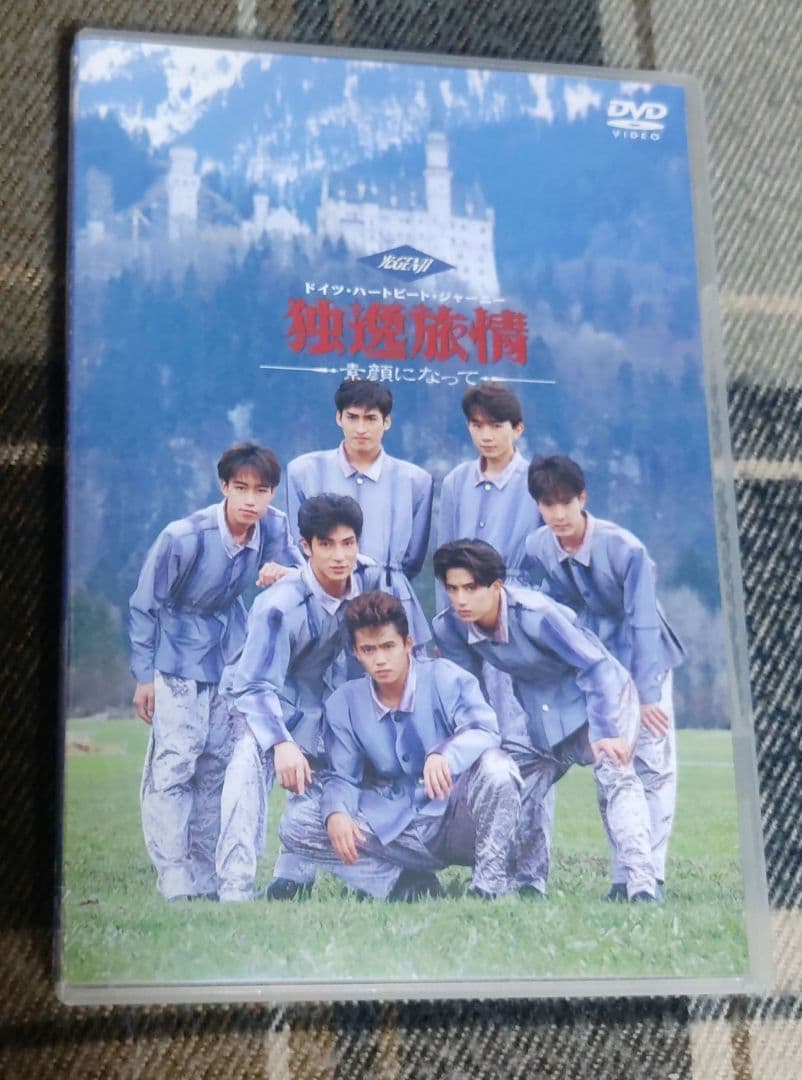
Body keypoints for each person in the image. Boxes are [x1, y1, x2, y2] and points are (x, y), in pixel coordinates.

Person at [432, 539, 659, 902]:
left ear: (496, 586)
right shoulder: (450, 627)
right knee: (517, 783)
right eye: (452, 589)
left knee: (615, 776)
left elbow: (595, 666)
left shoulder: (535, 614)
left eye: (470, 588)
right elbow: (468, 694)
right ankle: (525, 883)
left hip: (600, 698)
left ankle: (642, 886)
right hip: (539, 713)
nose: (460, 599)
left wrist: (605, 731)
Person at [129, 443, 303, 901]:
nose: (251, 500)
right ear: (223, 486)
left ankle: (205, 877)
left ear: (272, 493)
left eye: (261, 490)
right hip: (176, 654)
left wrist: (281, 573)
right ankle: (173, 875)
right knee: (174, 763)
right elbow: (145, 605)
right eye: (241, 488)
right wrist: (144, 676)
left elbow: (303, 574)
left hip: (231, 656)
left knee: (216, 766)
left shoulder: (274, 527)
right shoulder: (183, 537)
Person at [275, 591, 522, 900]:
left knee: (499, 768)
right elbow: (343, 777)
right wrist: (336, 812)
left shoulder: (447, 678)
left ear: (408, 644)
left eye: (388, 646)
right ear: (356, 653)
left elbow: (484, 730)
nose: (380, 659)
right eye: (369, 649)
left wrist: (444, 754)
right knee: (298, 824)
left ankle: (488, 886)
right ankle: (404, 884)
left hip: (457, 817)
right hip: (393, 827)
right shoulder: (344, 703)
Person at [215, 494, 401, 902]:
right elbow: (253, 685)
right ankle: (233, 888)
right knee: (247, 764)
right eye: (326, 544)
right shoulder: (278, 607)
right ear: (306, 546)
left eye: (348, 543)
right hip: (262, 701)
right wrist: (281, 743)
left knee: (339, 776)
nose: (340, 556)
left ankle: (293, 879)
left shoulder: (370, 579)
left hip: (328, 704)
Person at [525, 454, 686, 900]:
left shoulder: (625, 549)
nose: (558, 513)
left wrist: (649, 696)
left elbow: (644, 623)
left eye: (565, 502)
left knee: (653, 766)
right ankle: (623, 876)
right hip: (598, 669)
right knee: (612, 765)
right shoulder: (537, 547)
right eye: (547, 504)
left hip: (645, 661)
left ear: (583, 498)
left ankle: (652, 876)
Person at [285, 378, 433, 645]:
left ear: (386, 422)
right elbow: (298, 545)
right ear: (338, 418)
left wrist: (379, 579)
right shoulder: (304, 471)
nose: (361, 428)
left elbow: (412, 559)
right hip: (322, 603)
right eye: (352, 417)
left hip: (390, 603)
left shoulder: (415, 481)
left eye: (371, 418)